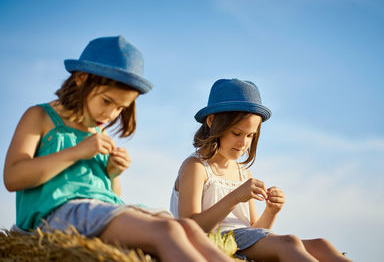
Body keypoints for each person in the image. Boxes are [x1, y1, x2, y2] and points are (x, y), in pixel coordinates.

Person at [3, 36, 232, 262]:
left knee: (185, 228)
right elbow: (13, 177)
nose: (111, 114)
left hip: (97, 210)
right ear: (82, 79)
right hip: (55, 215)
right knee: (167, 233)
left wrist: (112, 173)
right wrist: (76, 152)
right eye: (106, 101)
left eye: (120, 108)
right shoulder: (41, 116)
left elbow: (110, 196)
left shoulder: (97, 134)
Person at [170, 78, 352, 261]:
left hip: (242, 240)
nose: (243, 143)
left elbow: (255, 231)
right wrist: (235, 197)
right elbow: (189, 227)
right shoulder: (196, 167)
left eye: (250, 135)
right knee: (289, 243)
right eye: (236, 133)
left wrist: (271, 211)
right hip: (215, 242)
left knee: (321, 245)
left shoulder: (243, 174)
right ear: (211, 121)